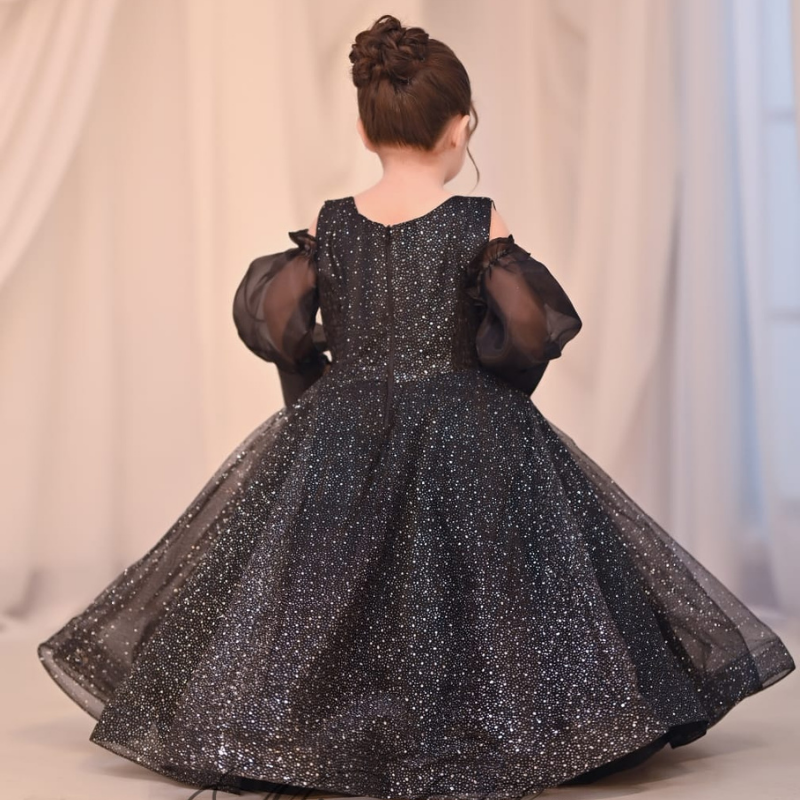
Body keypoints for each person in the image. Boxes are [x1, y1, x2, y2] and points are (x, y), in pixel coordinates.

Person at [37, 13, 795, 800]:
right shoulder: (477, 219)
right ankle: (497, 721)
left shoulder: (330, 223)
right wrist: (488, 390)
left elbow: (278, 324)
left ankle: (320, 726)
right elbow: (528, 331)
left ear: (364, 129)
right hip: (467, 426)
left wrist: (329, 389)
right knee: (486, 584)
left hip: (344, 425)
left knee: (328, 583)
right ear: (461, 126)